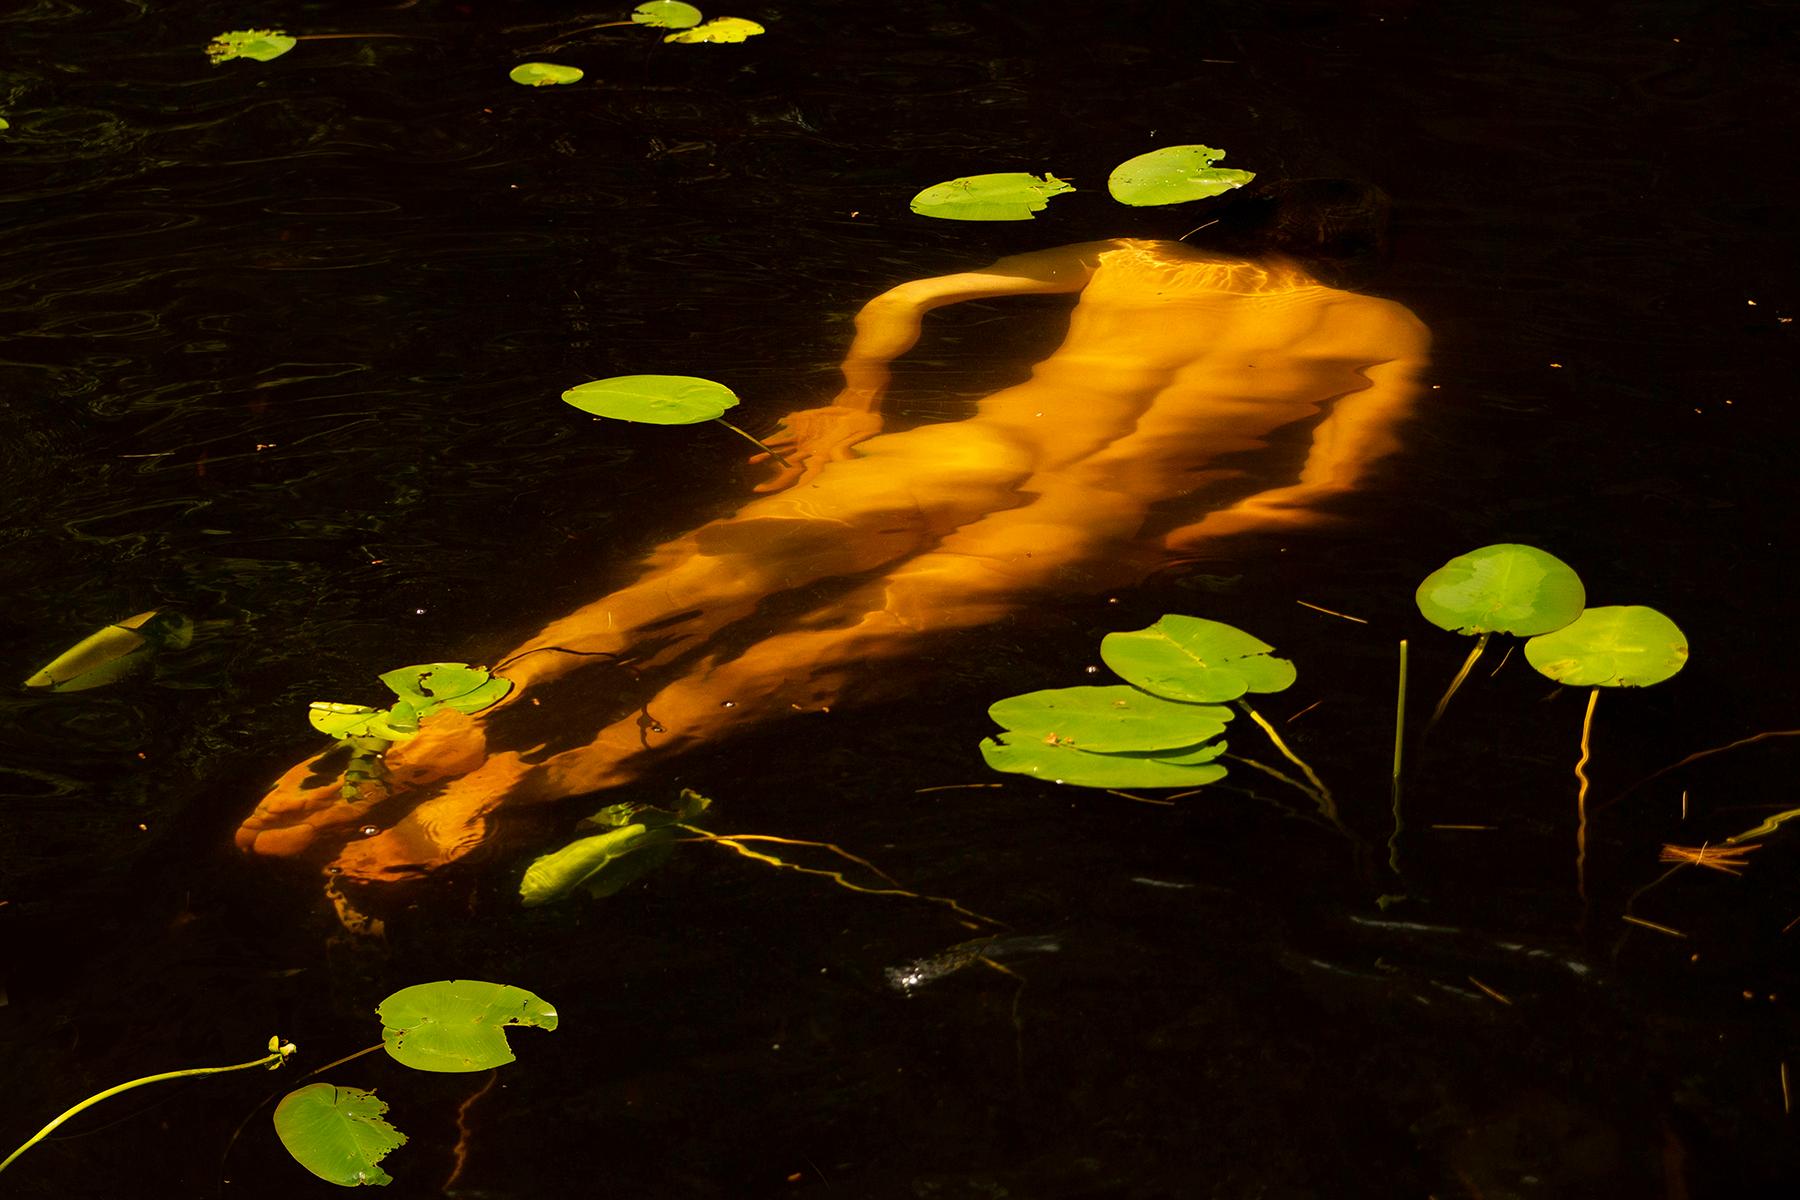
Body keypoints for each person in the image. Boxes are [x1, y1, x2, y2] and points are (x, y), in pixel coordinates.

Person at [237, 183, 1432, 884]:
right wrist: (1166, 547)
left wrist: (856, 397)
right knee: (813, 655)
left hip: (969, 448)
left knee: (687, 582)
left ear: (1237, 217)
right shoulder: (1383, 332)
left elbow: (908, 299)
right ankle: (524, 786)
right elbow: (1318, 490)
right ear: (1362, 255)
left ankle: (437, 729)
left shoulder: (1135, 261)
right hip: (1089, 513)